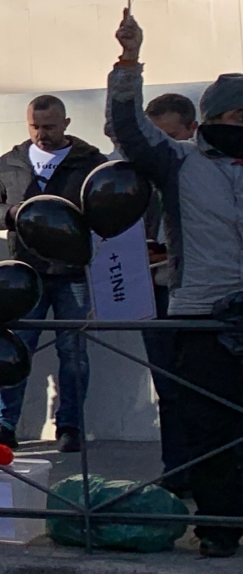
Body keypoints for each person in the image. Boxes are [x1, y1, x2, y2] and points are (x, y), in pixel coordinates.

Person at [108, 10, 243, 558]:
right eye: (238, 114)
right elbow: (127, 127)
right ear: (215, 116)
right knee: (210, 429)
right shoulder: (177, 160)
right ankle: (218, 527)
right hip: (201, 314)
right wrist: (130, 61)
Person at [0, 94, 107, 453]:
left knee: (74, 352)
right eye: (35, 127)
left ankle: (70, 426)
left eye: (49, 127)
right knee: (14, 351)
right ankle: (3, 425)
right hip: (24, 273)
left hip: (73, 272)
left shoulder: (90, 162)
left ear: (66, 124)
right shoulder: (10, 163)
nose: (42, 134)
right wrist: (10, 214)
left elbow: (107, 207)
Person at [139, 93, 197, 498]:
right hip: (153, 289)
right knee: (168, 388)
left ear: (193, 131)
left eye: (171, 137)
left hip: (201, 291)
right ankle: (177, 472)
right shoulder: (136, 173)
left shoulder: (204, 172)